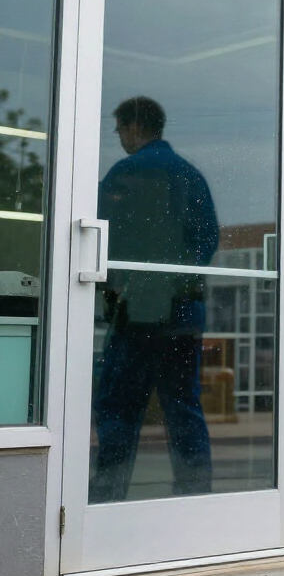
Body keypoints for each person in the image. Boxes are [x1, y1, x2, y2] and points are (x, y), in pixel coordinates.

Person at [91, 96, 219, 502]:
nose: (121, 140)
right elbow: (208, 239)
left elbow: (101, 241)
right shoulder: (190, 176)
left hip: (137, 312)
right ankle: (195, 495)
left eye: (120, 131)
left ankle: (107, 501)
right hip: (183, 312)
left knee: (119, 408)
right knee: (182, 406)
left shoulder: (124, 175)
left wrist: (116, 286)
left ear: (133, 128)